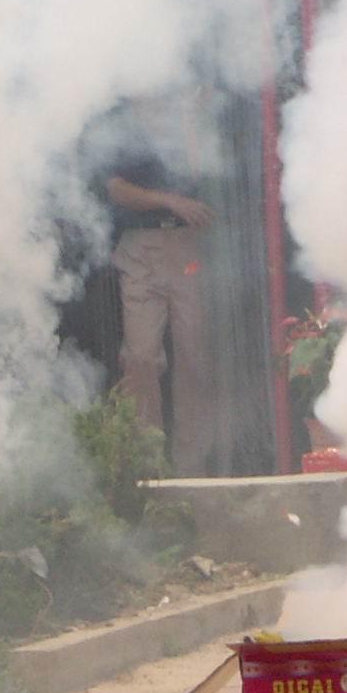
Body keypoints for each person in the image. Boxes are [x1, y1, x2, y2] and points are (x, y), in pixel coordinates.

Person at [98, 112, 217, 475]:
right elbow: (116, 189)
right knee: (141, 358)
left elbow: (202, 171)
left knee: (194, 355)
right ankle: (146, 462)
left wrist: (192, 121)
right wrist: (169, 201)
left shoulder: (189, 119)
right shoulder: (124, 126)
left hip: (186, 247)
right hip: (141, 248)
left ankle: (191, 465)